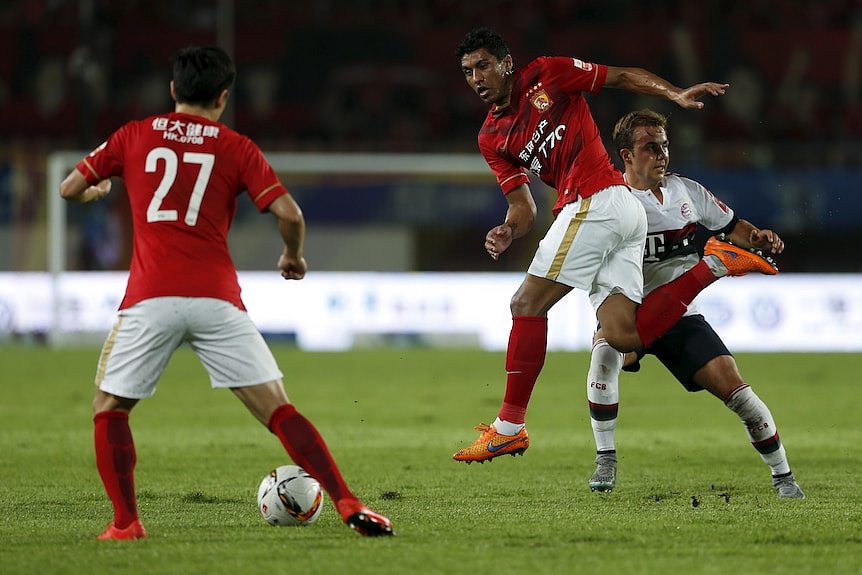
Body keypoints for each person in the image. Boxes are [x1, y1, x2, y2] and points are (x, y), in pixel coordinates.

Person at [59, 46, 394, 539]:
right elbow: (290, 215)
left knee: (109, 410)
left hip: (150, 298)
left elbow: (69, 188)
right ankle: (347, 501)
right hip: (217, 299)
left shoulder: (134, 134)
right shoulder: (235, 147)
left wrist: (98, 191)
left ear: (173, 90)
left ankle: (126, 524)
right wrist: (292, 256)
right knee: (279, 410)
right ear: (223, 96)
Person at [452, 28, 778, 464]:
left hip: (597, 201)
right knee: (623, 336)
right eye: (468, 71)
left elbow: (622, 77)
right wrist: (509, 229)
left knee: (526, 305)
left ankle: (509, 427)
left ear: (506, 63)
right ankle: (714, 265)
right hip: (621, 212)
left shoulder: (547, 74)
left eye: (483, 65)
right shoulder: (491, 137)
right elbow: (522, 207)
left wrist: (675, 93)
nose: (476, 77)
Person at [585, 109, 803, 498]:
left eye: (664, 145)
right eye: (650, 147)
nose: (662, 154)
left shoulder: (686, 192)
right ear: (627, 156)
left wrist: (759, 238)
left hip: (680, 314)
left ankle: (784, 477)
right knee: (605, 354)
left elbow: (732, 226)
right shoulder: (609, 201)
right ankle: (606, 457)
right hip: (628, 310)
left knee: (740, 394)